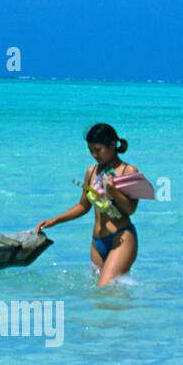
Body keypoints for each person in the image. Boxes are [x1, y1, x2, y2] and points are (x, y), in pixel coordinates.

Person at [35, 123, 140, 286]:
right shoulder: (91, 172)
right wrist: (54, 221)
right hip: (97, 242)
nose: (94, 154)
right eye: (90, 150)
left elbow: (131, 209)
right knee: (101, 299)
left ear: (112, 144)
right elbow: (83, 206)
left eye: (98, 150)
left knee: (104, 289)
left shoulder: (128, 171)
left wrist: (114, 193)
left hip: (121, 237)